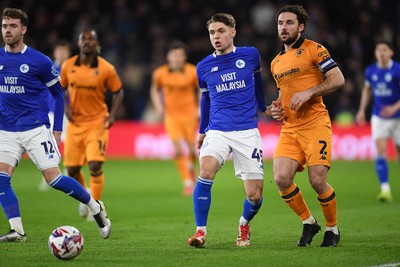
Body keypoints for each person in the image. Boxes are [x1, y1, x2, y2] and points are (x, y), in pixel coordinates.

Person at [0, 7, 111, 242]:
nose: (7, 30)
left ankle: (95, 206)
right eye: (4, 26)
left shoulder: (39, 61)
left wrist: (57, 130)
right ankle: (17, 230)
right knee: (1, 177)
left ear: (23, 29)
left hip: (35, 128)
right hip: (6, 130)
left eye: (12, 26)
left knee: (54, 179)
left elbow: (59, 95)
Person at [187, 13, 268, 248]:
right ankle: (200, 232)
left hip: (247, 131)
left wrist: (262, 107)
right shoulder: (203, 67)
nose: (216, 36)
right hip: (218, 129)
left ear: (233, 31)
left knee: (255, 196)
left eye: (220, 31)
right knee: (206, 169)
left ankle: (244, 223)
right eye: (212, 32)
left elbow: (259, 83)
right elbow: (206, 100)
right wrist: (202, 130)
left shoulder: (250, 55)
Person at [268, 5, 345, 247]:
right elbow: (284, 94)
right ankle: (309, 222)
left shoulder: (314, 49)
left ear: (301, 27)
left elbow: (338, 79)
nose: (283, 27)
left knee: (317, 180)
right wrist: (277, 108)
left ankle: (332, 229)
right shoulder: (276, 62)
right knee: (281, 178)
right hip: (290, 128)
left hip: (315, 123)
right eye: (280, 23)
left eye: (289, 23)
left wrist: (309, 92)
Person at [60, 28, 124, 221]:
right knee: (72, 170)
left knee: (95, 165)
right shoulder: (68, 66)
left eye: (91, 39)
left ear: (97, 44)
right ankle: (85, 197)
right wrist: (66, 107)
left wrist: (112, 115)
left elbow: (118, 92)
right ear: (78, 43)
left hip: (97, 122)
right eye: (83, 39)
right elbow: (60, 89)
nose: (87, 42)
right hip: (75, 124)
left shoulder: (106, 68)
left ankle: (95, 208)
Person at [150, 41, 199, 196]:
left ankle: (190, 169)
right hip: (171, 116)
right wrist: (158, 107)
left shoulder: (193, 71)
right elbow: (154, 89)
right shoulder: (160, 73)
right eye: (174, 55)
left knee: (192, 150)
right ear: (168, 57)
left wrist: (199, 108)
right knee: (178, 150)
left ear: (184, 57)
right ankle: (187, 182)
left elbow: (201, 90)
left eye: (180, 55)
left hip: (190, 115)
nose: (177, 58)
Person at [356, 40, 400, 202]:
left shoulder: (397, 70)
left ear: (390, 53)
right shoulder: (371, 71)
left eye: (384, 49)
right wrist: (361, 110)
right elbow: (366, 90)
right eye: (378, 50)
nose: (381, 53)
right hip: (379, 117)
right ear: (375, 53)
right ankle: (385, 189)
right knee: (380, 151)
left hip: (398, 118)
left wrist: (394, 108)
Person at [38, 40, 72, 192]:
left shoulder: (72, 69)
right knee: (50, 143)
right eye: (60, 51)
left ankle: (68, 170)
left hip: (68, 112)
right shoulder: (48, 67)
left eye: (64, 51)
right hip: (51, 111)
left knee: (69, 142)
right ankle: (49, 174)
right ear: (55, 52)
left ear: (68, 53)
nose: (62, 54)